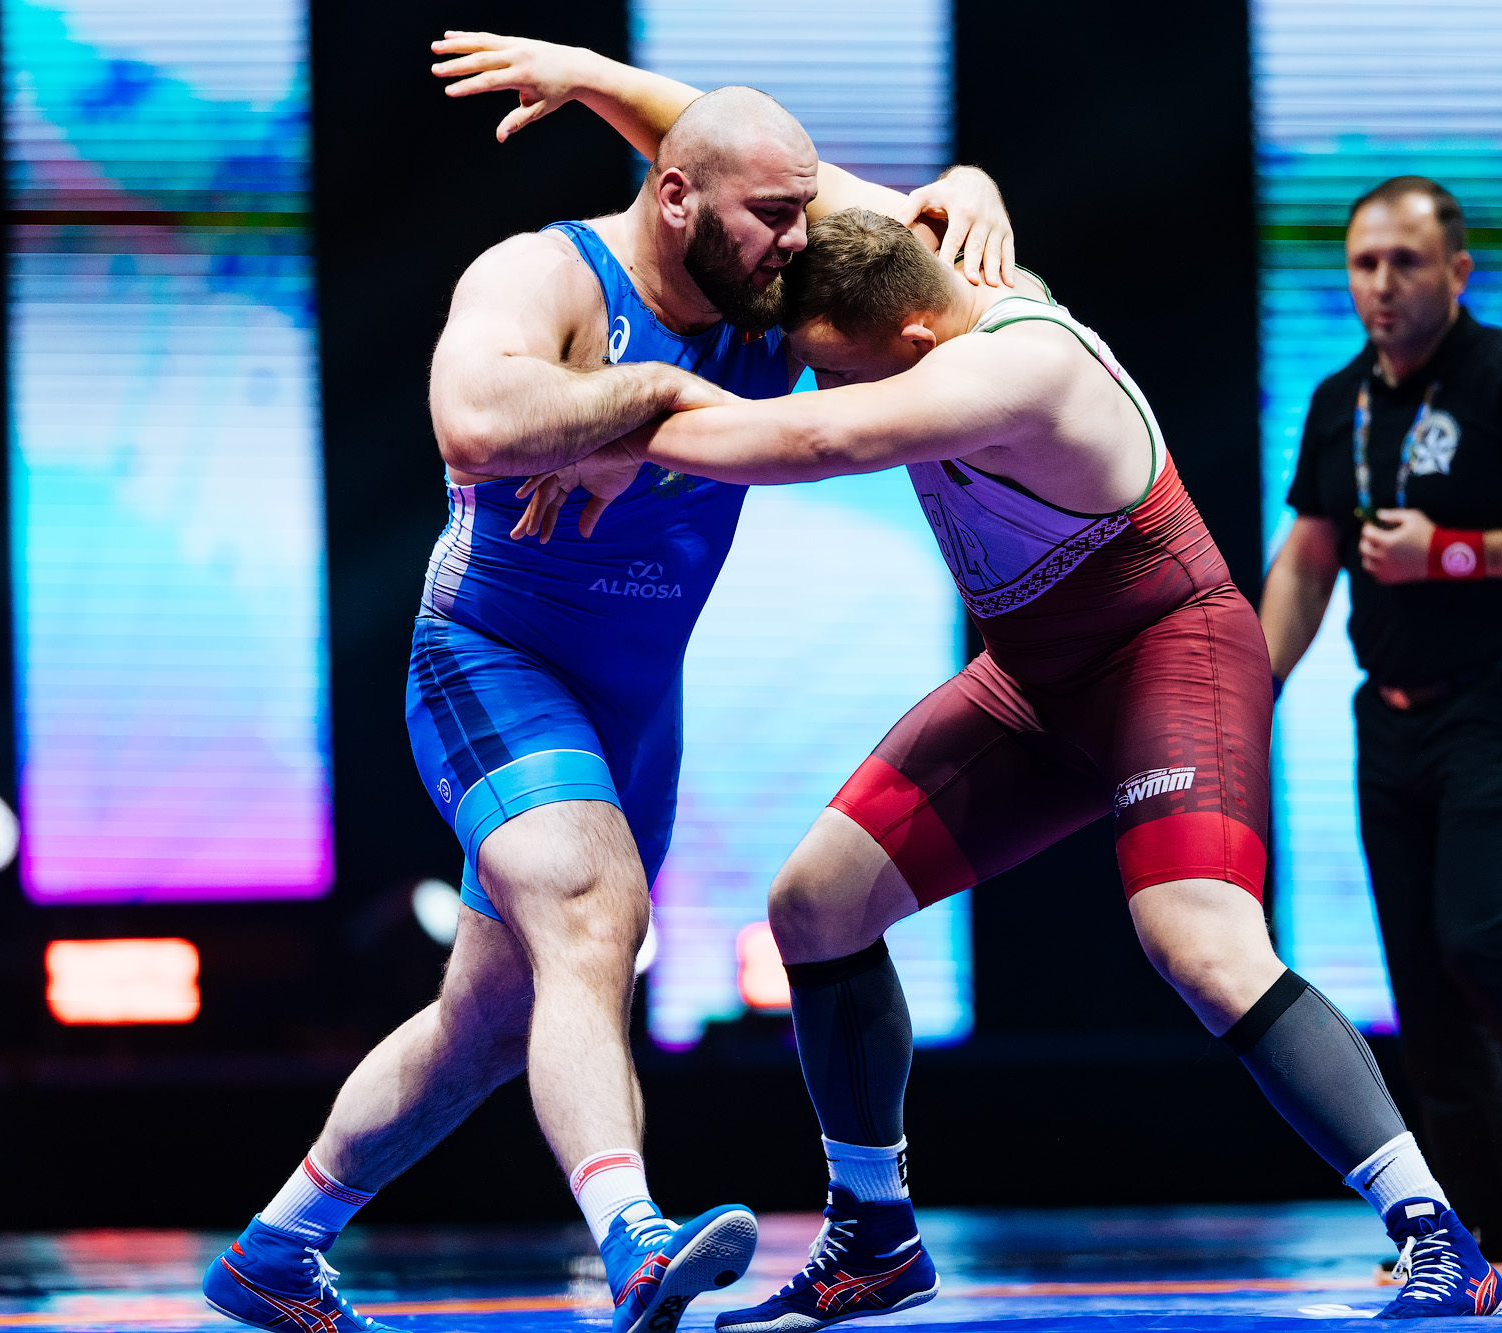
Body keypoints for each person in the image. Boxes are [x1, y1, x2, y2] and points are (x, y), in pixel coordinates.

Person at [528, 207, 1502, 1320]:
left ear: (910, 343)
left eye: (835, 370)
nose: (821, 388)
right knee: (815, 904)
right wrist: (609, 102)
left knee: (1200, 942)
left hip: (1167, 656)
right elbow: (780, 177)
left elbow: (816, 442)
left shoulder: (1018, 364)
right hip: (1033, 679)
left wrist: (598, 422)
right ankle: (874, 1235)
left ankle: (1437, 1235)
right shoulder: (921, 287)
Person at [199, 33, 1017, 1333]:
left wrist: (966, 184)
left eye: (804, 212)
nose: (796, 240)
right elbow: (473, 421)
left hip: (634, 705)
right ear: (675, 198)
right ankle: (634, 1237)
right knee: (595, 914)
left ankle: (274, 1251)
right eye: (771, 214)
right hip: (491, 661)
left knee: (487, 1022)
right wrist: (646, 397)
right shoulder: (545, 275)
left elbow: (932, 251)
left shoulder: (770, 271)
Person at [1258, 176, 1502, 1280]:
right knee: (1425, 990)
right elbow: (1307, 561)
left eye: (1405, 262)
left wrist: (1453, 552)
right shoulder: (1339, 400)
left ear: (1456, 271)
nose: (1381, 284)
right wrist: (1250, 689)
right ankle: (1493, 1228)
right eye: (1363, 264)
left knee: (1477, 937)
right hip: (1390, 717)